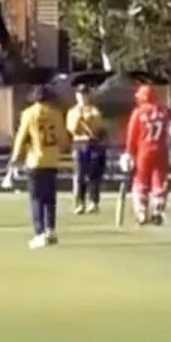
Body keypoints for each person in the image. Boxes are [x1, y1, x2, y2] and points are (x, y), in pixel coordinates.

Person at [8, 85, 69, 249]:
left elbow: (21, 136)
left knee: (36, 199)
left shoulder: (29, 114)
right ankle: (50, 229)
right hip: (51, 159)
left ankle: (39, 232)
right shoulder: (56, 114)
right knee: (50, 198)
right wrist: (62, 149)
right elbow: (63, 138)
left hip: (35, 161)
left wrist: (15, 158)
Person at [120, 84, 171, 225]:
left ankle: (142, 212)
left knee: (141, 181)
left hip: (144, 151)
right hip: (161, 150)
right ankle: (158, 211)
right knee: (159, 182)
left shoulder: (138, 112)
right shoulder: (164, 110)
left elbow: (132, 135)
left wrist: (128, 152)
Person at [66, 84, 106, 214]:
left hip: (93, 143)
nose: (82, 97)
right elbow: (72, 129)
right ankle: (80, 202)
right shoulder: (72, 112)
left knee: (94, 174)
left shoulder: (94, 110)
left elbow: (98, 126)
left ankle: (93, 201)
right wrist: (79, 119)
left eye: (85, 94)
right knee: (79, 175)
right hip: (79, 143)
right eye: (80, 94)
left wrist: (89, 120)